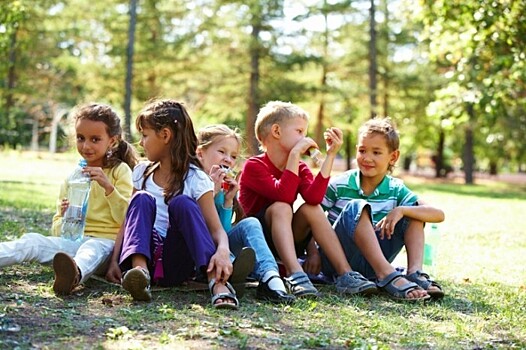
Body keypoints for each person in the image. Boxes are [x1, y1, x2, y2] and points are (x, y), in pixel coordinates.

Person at [106, 99, 246, 310]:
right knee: (140, 199)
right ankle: (140, 274)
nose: (141, 142)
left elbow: (216, 230)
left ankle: (217, 283)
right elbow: (128, 222)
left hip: (177, 261)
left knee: (182, 203)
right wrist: (115, 260)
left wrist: (223, 251)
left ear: (165, 135)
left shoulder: (197, 179)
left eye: (145, 135)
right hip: (146, 255)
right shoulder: (141, 173)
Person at [238, 100, 378, 298]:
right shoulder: (254, 166)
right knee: (282, 207)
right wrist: (295, 153)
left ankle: (345, 274)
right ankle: (296, 275)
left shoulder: (300, 168)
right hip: (258, 241)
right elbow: (283, 195)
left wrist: (330, 156)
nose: (306, 138)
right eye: (299, 132)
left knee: (311, 209)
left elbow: (314, 198)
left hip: (287, 237)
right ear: (277, 131)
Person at [0, 103, 138, 296]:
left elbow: (126, 218)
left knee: (91, 248)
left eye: (95, 139)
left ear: (112, 141)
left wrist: (108, 187)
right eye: (81, 138)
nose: (86, 146)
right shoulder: (74, 176)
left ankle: (73, 276)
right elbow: (57, 229)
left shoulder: (119, 171)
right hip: (74, 242)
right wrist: (64, 217)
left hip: (106, 245)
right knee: (32, 241)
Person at [320, 117, 445, 300]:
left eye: (376, 152)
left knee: (414, 213)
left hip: (371, 262)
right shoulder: (339, 184)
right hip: (338, 260)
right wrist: (313, 252)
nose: (367, 158)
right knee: (357, 207)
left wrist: (402, 210)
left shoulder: (396, 189)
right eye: (362, 151)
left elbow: (438, 214)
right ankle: (387, 275)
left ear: (393, 157)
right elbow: (311, 214)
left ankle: (414, 273)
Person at [197, 124, 296, 304]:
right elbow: (199, 228)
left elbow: (223, 232)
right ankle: (230, 269)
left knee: (250, 223)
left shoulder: (223, 186)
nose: (228, 160)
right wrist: (210, 194)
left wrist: (227, 202)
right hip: (200, 250)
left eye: (233, 156)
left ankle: (270, 277)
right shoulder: (193, 181)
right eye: (221, 152)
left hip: (222, 247)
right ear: (200, 153)